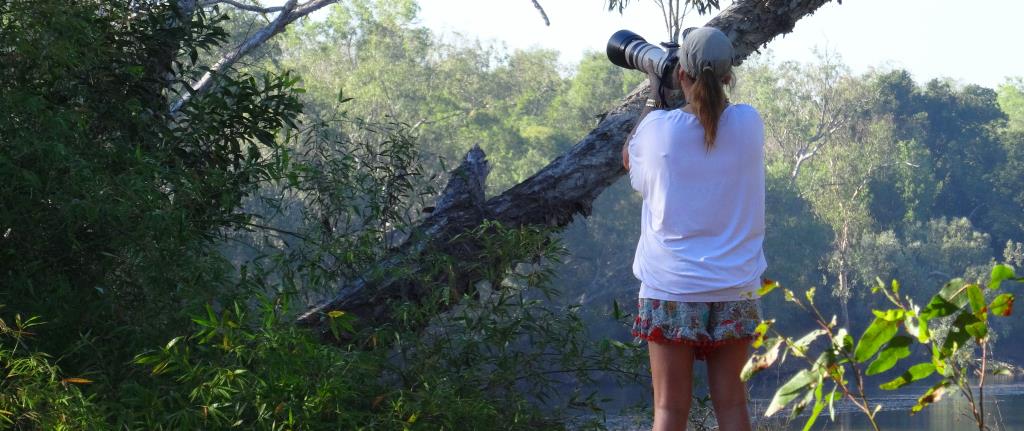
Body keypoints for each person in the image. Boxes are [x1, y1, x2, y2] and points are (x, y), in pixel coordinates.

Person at [621, 26, 766, 431]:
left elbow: (629, 161)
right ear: (728, 77)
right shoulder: (749, 124)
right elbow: (714, 121)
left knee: (669, 410)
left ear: (681, 75)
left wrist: (655, 96)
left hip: (671, 287)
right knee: (733, 406)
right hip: (736, 285)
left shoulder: (657, 130)